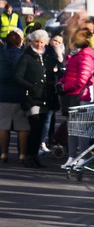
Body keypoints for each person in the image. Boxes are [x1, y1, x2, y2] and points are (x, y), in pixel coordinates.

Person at [14, 30, 57, 168]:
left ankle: (35, 156)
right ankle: (28, 156)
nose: (39, 45)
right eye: (36, 42)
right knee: (34, 127)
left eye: (42, 42)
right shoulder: (26, 57)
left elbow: (55, 71)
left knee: (41, 130)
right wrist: (32, 86)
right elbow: (18, 77)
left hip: (45, 97)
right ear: (31, 41)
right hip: (32, 98)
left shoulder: (48, 56)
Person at [58, 26, 94, 168]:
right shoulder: (76, 55)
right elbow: (68, 75)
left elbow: (82, 80)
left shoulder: (85, 56)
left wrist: (64, 87)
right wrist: (60, 83)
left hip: (83, 97)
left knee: (81, 129)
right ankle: (71, 157)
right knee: (72, 128)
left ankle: (82, 157)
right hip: (73, 96)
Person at [0, 29, 29, 163]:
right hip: (20, 93)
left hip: (3, 93)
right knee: (22, 126)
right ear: (20, 41)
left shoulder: (1, 55)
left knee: (4, 125)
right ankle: (22, 155)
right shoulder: (24, 56)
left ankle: (4, 153)